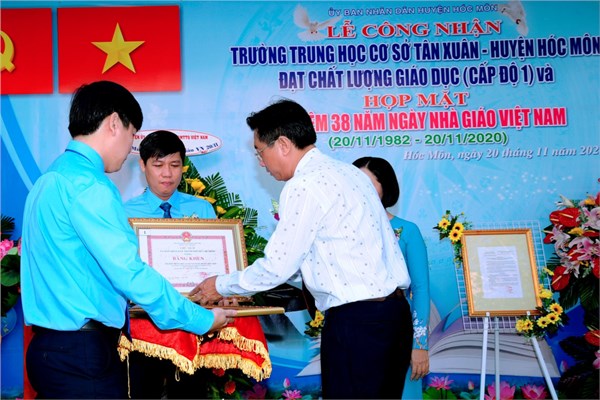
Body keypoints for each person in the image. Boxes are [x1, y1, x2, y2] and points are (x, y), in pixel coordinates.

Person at [20, 80, 236, 399]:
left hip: (48, 351)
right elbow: (129, 273)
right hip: (83, 356)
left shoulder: (49, 179)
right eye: (132, 134)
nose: (130, 147)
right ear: (114, 123)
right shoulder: (90, 186)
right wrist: (202, 319)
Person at [190, 98, 413, 399]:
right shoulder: (351, 174)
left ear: (282, 144)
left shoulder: (304, 185)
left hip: (357, 323)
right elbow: (317, 258)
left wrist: (220, 285)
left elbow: (277, 267)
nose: (261, 162)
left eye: (260, 151)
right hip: (393, 316)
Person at [124, 130, 216, 399]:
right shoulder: (124, 213)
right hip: (144, 326)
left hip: (193, 324)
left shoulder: (202, 210)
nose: (167, 174)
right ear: (142, 165)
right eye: (158, 165)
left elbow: (217, 265)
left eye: (175, 165)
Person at [353, 156, 431, 400]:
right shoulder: (341, 232)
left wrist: (419, 345)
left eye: (367, 183)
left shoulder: (408, 231)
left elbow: (420, 289)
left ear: (385, 187)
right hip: (353, 329)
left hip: (397, 328)